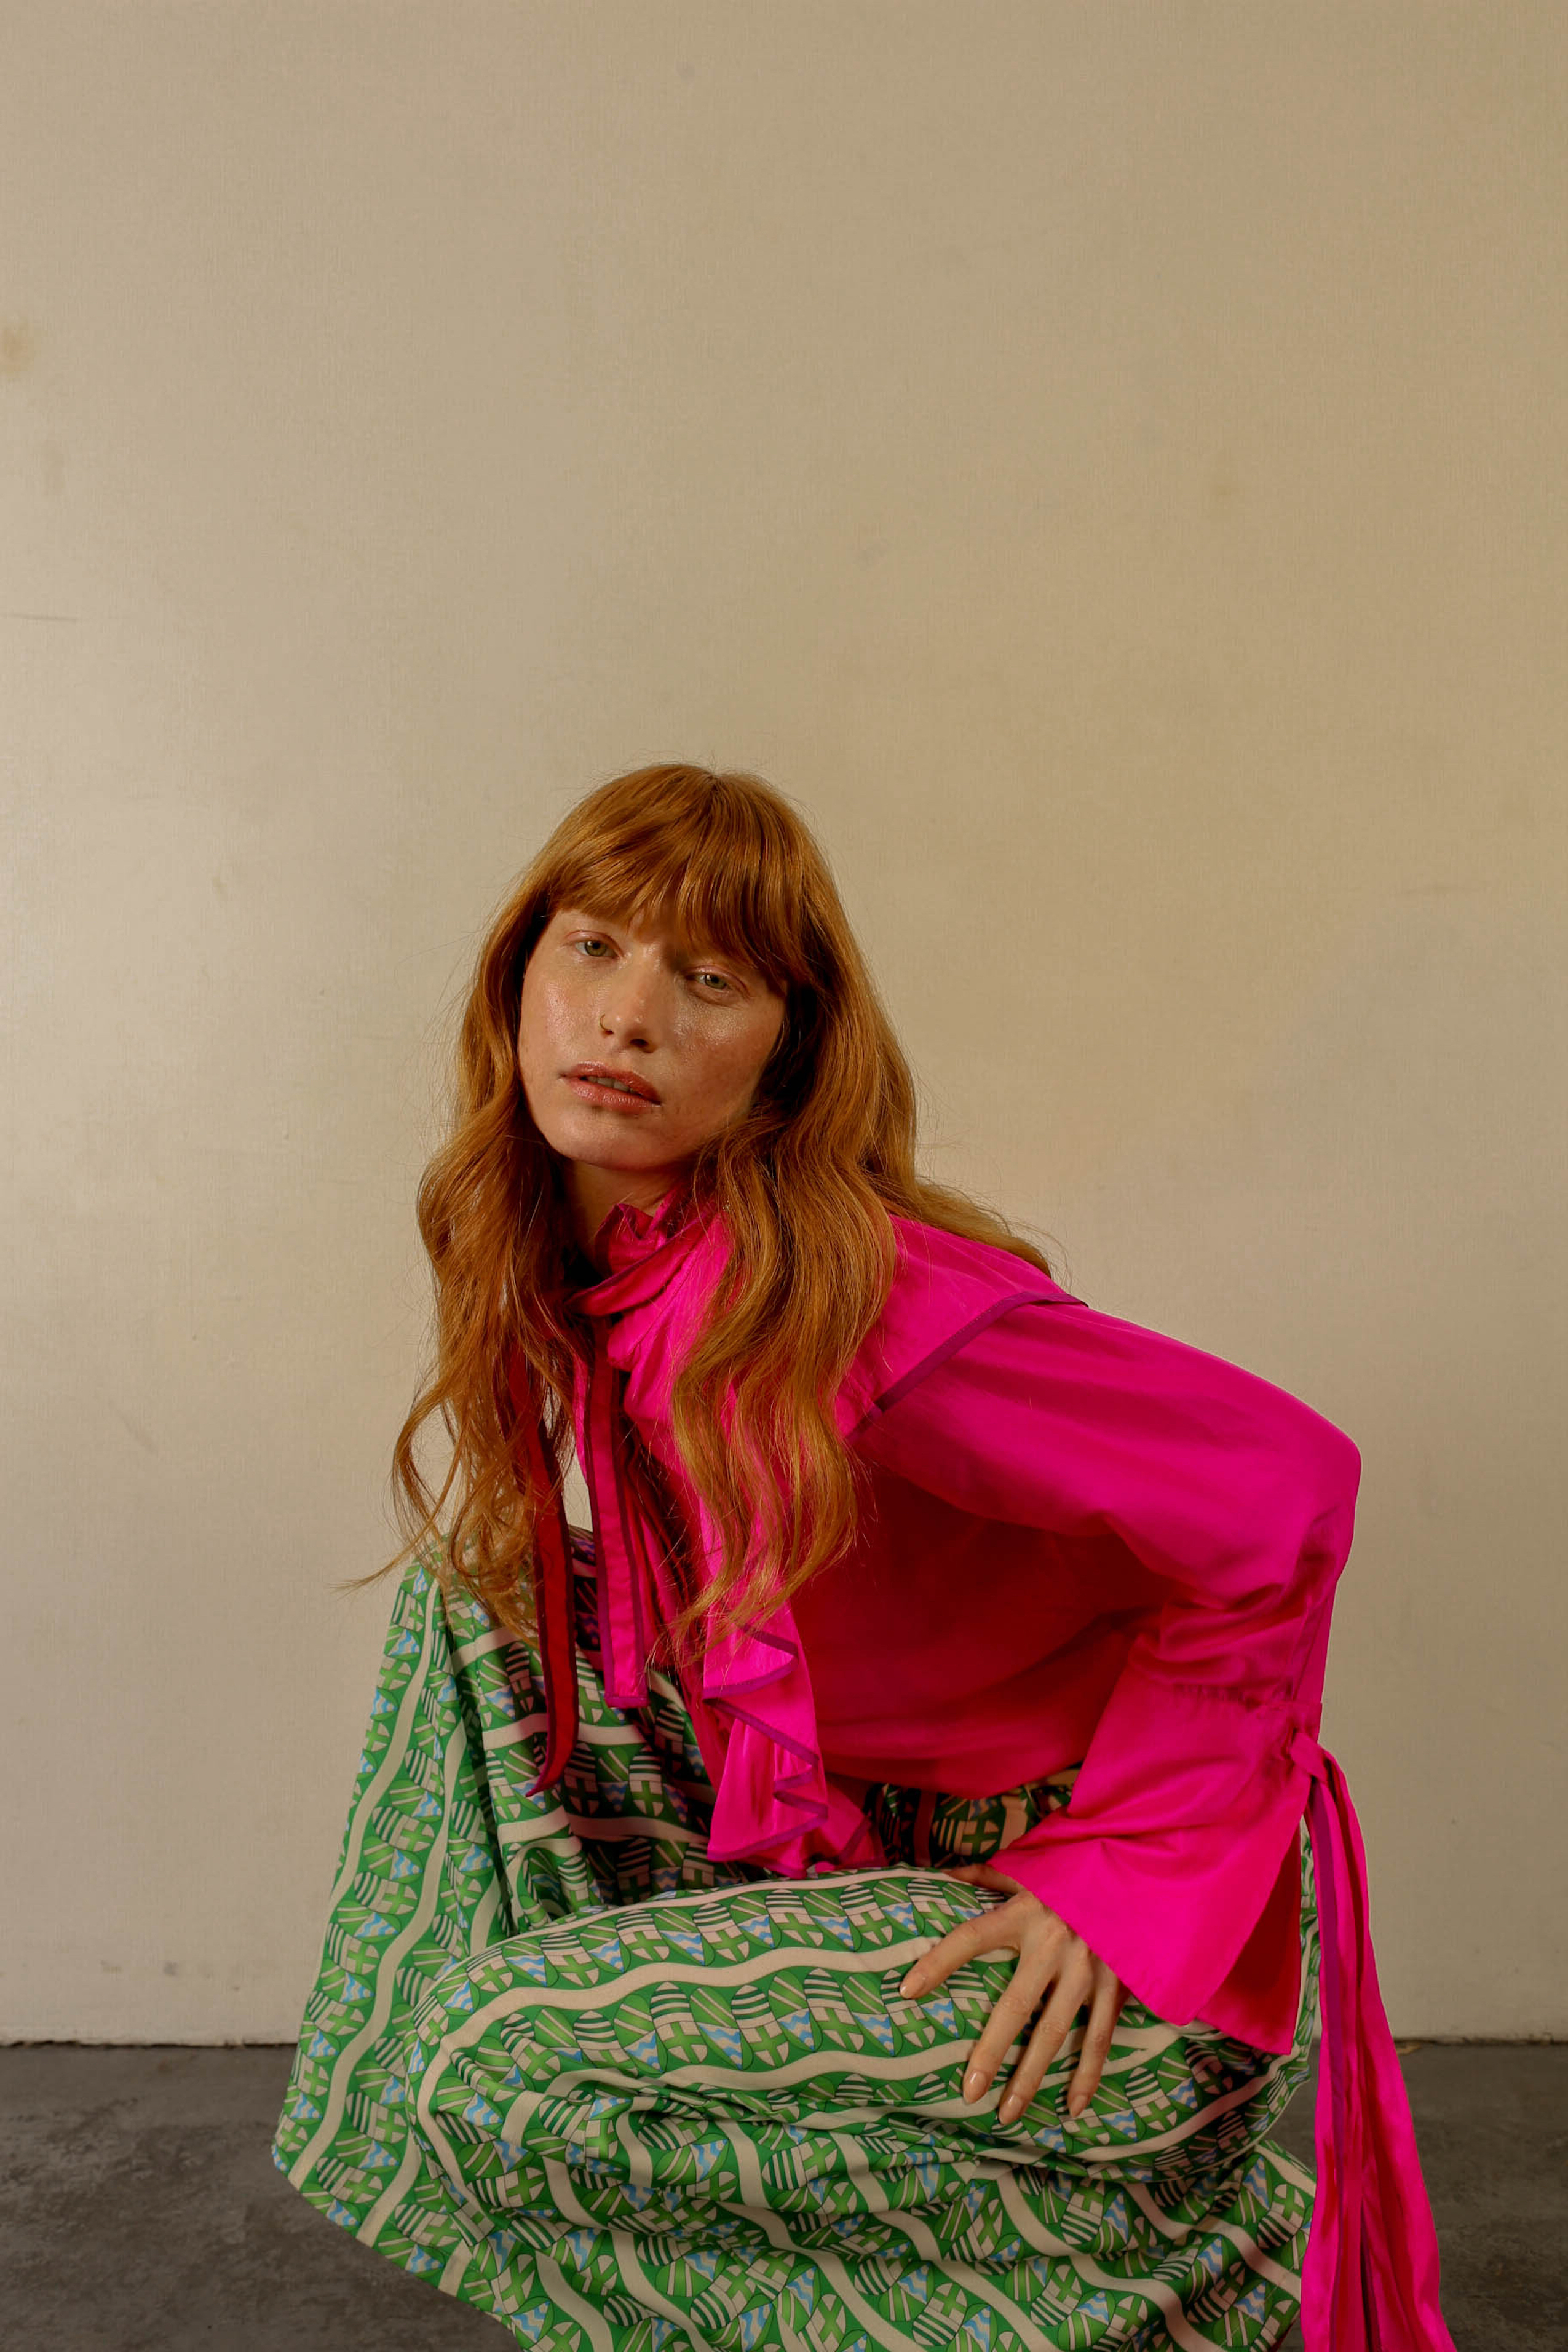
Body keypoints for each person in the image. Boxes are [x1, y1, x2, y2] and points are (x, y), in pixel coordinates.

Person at [274, 764, 1455, 2352]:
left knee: (486, 2067)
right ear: (518, 975)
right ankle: (618, 2100)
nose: (627, 1017)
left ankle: (1185, 2279)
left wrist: (1111, 1873)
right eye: (593, 947)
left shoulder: (847, 1296)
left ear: (787, 1056)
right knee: (478, 1601)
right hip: (872, 1835)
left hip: (1074, 1944)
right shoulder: (612, 1260)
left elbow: (1289, 1485)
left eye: (710, 980)